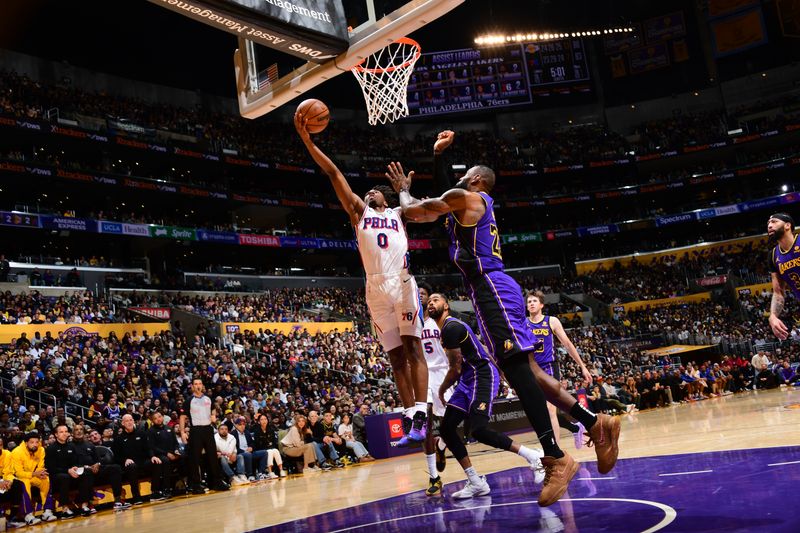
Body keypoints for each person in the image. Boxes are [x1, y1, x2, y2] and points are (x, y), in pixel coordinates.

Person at [387, 149, 620, 506]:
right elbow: (445, 193)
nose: (460, 178)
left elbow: (417, 211)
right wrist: (439, 158)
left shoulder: (469, 197)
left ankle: (555, 456)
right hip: (491, 290)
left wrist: (403, 189)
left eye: (466, 174)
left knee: (516, 370)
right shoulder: (464, 204)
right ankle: (594, 422)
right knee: (527, 371)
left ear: (478, 179)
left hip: (491, 289)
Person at [295, 112, 429, 443]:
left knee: (413, 348)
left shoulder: (399, 212)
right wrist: (308, 142)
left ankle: (424, 411)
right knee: (395, 357)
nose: (368, 192)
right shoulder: (359, 212)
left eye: (374, 191)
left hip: (401, 282)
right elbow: (333, 172)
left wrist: (404, 191)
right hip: (374, 288)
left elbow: (417, 210)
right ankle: (410, 416)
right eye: (367, 191)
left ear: (386, 197)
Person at [428, 293, 545, 501]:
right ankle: (476, 482)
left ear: (446, 306)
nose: (430, 302)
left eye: (435, 299)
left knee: (478, 430)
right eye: (429, 300)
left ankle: (533, 455)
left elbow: (454, 368)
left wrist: (440, 390)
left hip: (481, 375)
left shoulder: (451, 327)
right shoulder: (448, 329)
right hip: (468, 379)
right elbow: (478, 348)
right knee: (446, 428)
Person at [526, 291, 592, 448]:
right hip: (532, 369)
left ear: (541, 305)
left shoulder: (551, 321)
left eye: (535, 301)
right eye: (529, 301)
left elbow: (567, 344)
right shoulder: (523, 323)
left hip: (549, 367)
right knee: (541, 412)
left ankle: (555, 452)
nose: (531, 303)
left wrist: (582, 366)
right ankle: (575, 428)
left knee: (550, 409)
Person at [417, 281, 455, 497]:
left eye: (425, 294)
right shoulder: (411, 324)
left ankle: (441, 445)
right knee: (425, 425)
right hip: (423, 375)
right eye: (418, 293)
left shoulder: (438, 321)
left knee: (453, 421)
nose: (421, 296)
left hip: (442, 373)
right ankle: (434, 476)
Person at [179, 378, 229, 494]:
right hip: (196, 430)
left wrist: (213, 416)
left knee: (212, 456)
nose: (198, 386)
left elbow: (213, 410)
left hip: (208, 429)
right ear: (192, 386)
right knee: (195, 458)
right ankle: (196, 485)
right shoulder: (189, 400)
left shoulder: (208, 398)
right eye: (195, 384)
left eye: (200, 384)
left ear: (202, 385)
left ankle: (216, 482)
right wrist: (182, 432)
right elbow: (182, 417)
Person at [71, 425, 131, 511]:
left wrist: (97, 464)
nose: (79, 431)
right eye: (76, 430)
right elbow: (72, 463)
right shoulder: (70, 446)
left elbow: (97, 459)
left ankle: (118, 500)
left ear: (84, 432)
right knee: (86, 472)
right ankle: (89, 504)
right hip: (82, 471)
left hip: (95, 469)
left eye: (81, 429)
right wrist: (87, 467)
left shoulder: (89, 445)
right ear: (72, 433)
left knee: (115, 468)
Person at [5, 432, 57, 525]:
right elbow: (18, 473)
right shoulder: (17, 452)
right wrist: (34, 473)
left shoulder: (41, 450)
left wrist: (40, 473)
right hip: (19, 477)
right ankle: (28, 515)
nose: (35, 445)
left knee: (46, 479)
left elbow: (41, 465)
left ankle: (47, 511)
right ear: (26, 443)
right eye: (32, 442)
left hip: (34, 475)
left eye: (37, 442)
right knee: (24, 483)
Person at [114, 414, 168, 503]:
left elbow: (148, 448)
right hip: (129, 464)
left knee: (156, 462)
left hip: (142, 461)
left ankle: (155, 492)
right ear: (123, 423)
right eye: (127, 421)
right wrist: (125, 460)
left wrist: (152, 456)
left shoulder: (141, 433)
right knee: (132, 466)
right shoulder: (119, 438)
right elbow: (116, 456)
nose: (129, 422)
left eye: (131, 420)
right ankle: (136, 496)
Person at [46, 424, 94, 519]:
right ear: (56, 434)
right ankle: (65, 508)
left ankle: (84, 505)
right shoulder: (51, 448)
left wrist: (75, 468)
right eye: (61, 432)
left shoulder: (71, 446)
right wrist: (68, 470)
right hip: (56, 476)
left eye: (66, 431)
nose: (64, 434)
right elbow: (51, 468)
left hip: (70, 473)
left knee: (84, 473)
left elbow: (75, 462)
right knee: (64, 477)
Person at [767, 213, 800, 339]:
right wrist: (773, 316)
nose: (769, 225)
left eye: (774, 222)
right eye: (768, 224)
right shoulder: (773, 255)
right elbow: (778, 292)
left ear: (787, 225)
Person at [253, 414, 286, 479]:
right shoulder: (257, 431)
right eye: (262, 419)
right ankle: (270, 472)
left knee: (275, 450)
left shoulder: (271, 429)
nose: (264, 421)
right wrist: (268, 444)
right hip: (262, 449)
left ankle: (281, 470)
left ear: (267, 420)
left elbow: (274, 442)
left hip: (271, 447)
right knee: (270, 451)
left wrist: (269, 444)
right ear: (259, 421)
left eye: (265, 419)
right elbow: (258, 444)